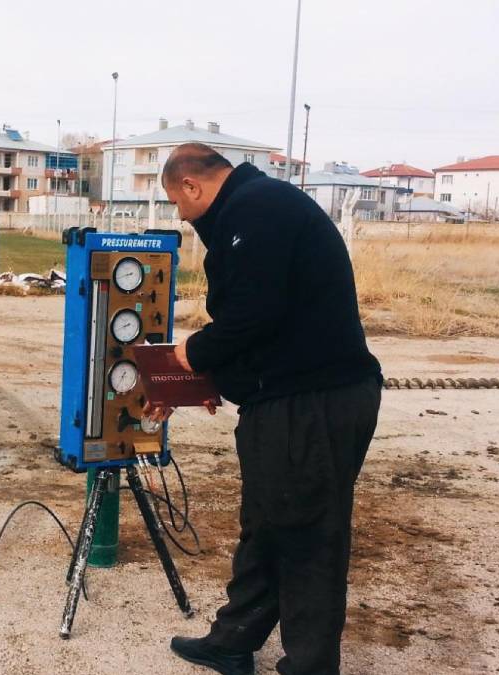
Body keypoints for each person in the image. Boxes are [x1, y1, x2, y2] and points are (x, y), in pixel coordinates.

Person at [147, 143, 382, 675]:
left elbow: (254, 315)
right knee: (269, 522)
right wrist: (212, 382)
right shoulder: (257, 207)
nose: (179, 215)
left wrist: (191, 356)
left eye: (177, 202)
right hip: (291, 397)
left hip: (312, 402)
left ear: (192, 185)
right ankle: (233, 641)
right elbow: (271, 323)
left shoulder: (257, 209)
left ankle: (311, 665)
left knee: (307, 536)